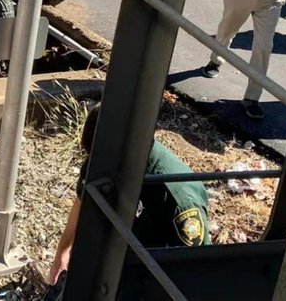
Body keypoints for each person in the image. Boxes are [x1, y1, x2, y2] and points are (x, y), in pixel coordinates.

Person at [47, 106, 209, 290]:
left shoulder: (178, 197)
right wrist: (64, 251)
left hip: (159, 263)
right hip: (125, 244)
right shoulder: (104, 159)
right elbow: (82, 199)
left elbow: (193, 267)